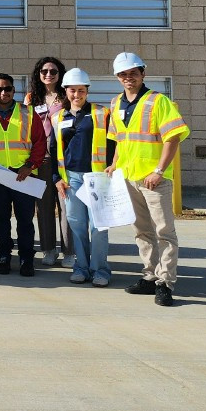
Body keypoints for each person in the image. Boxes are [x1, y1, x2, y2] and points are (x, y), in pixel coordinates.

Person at [109, 51, 189, 307]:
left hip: (154, 180)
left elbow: (173, 137)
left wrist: (159, 170)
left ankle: (165, 283)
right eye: (123, 74)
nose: (128, 78)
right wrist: (114, 165)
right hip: (130, 178)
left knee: (165, 232)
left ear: (143, 73)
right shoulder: (116, 103)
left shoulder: (158, 101)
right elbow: (121, 140)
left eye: (133, 73)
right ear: (118, 77)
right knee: (142, 231)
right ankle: (149, 276)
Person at [0, 72, 46, 277]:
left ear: (13, 90)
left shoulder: (28, 113)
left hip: (23, 174)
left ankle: (27, 259)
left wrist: (30, 165)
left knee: (25, 220)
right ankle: (4, 257)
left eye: (7, 88)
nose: (3, 93)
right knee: (0, 219)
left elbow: (40, 142)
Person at [52, 68, 112, 287]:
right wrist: (55, 178)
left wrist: (113, 169)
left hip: (97, 177)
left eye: (81, 90)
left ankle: (100, 270)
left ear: (87, 90)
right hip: (71, 179)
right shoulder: (59, 116)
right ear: (65, 91)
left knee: (98, 226)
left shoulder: (101, 113)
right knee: (76, 224)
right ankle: (81, 267)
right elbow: (54, 149)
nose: (76, 95)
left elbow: (114, 144)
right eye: (72, 90)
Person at [24, 56, 70, 268]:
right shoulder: (31, 98)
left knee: (66, 206)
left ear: (60, 74)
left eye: (53, 71)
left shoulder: (67, 96)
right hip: (40, 158)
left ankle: (69, 252)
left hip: (63, 157)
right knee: (43, 206)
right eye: (44, 71)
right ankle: (49, 250)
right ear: (38, 74)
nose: (49, 75)